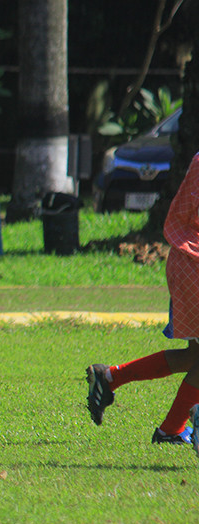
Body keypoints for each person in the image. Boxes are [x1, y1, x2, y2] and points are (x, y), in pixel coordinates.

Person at [86, 151, 199, 452]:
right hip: (194, 260)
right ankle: (177, 427)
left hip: (189, 259)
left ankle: (110, 378)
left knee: (195, 358)